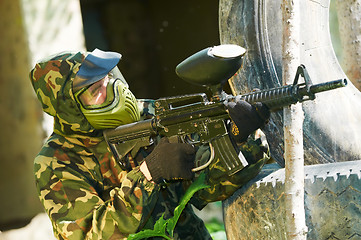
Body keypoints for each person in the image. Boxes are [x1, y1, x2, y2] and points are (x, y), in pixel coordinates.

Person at [30, 48, 271, 240]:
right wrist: (148, 174)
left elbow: (208, 188)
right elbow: (89, 235)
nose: (112, 90)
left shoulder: (147, 115)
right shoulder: (56, 162)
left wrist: (237, 139)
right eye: (95, 90)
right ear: (70, 108)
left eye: (108, 79)